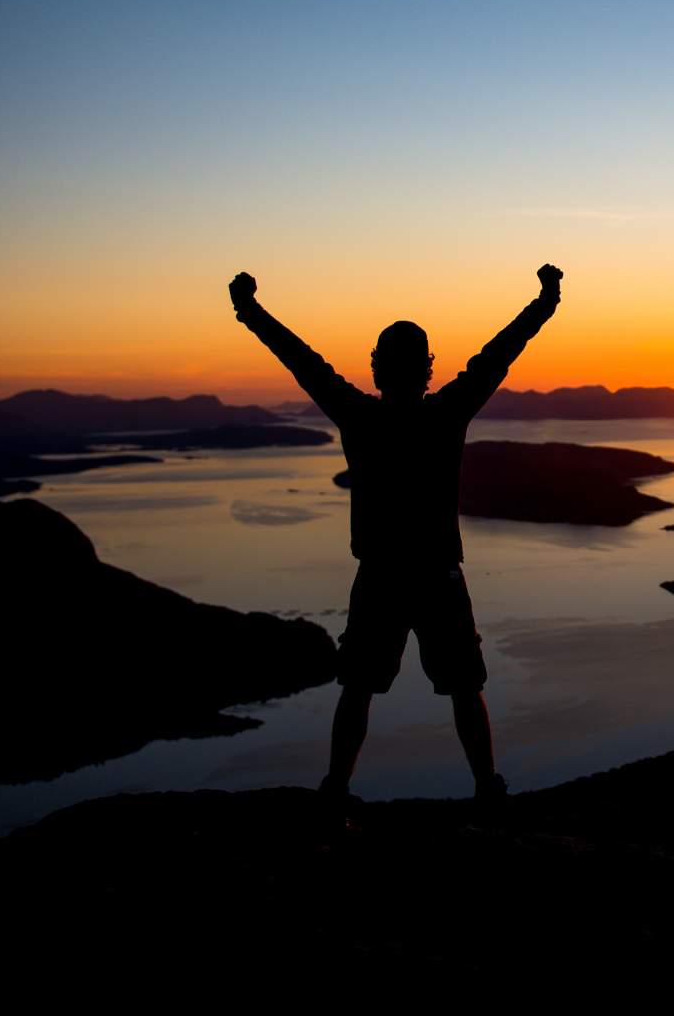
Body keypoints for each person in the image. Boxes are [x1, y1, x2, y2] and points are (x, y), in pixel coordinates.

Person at [229, 263, 563, 818]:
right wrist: (545, 301)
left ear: (378, 368)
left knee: (358, 688)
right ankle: (487, 790)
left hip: (381, 576)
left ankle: (336, 789)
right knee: (462, 688)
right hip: (438, 575)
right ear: (427, 370)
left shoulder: (358, 415)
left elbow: (301, 360)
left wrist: (250, 310)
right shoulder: (446, 413)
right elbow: (499, 354)